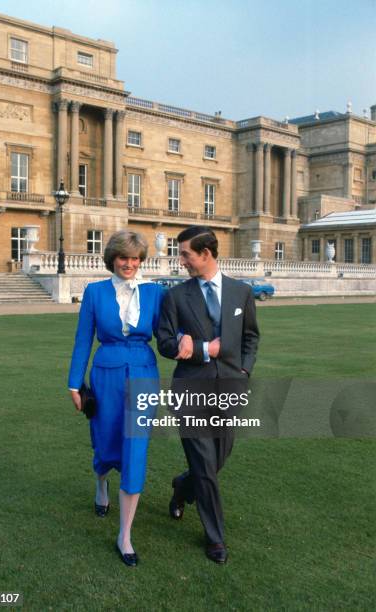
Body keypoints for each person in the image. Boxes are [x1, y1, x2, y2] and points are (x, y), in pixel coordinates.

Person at [157, 226, 259, 564]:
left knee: (216, 461)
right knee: (204, 464)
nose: (180, 260)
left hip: (230, 388)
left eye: (185, 253)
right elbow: (166, 343)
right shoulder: (174, 296)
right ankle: (215, 539)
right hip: (190, 390)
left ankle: (182, 487)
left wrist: (244, 371)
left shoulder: (241, 292)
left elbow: (250, 338)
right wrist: (202, 349)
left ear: (206, 253)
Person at [68, 230, 163, 567]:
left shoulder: (155, 292)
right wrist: (74, 384)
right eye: (124, 258)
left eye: (136, 258)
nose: (130, 264)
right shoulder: (94, 292)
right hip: (105, 374)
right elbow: (83, 340)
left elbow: (168, 332)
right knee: (105, 443)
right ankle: (101, 482)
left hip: (143, 374)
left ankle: (125, 535)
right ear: (112, 259)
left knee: (134, 449)